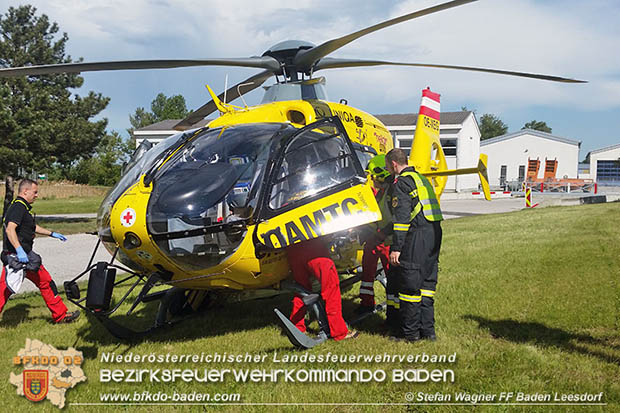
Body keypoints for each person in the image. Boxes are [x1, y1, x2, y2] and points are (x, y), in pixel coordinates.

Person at [0, 179, 80, 323]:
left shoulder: (22, 207)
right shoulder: (18, 207)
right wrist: (19, 250)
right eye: (35, 192)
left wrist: (52, 233)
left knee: (46, 282)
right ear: (25, 191)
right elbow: (10, 229)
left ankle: (60, 315)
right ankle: (60, 315)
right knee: (4, 290)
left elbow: (32, 227)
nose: (36, 195)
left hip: (27, 258)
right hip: (17, 258)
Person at [385, 149, 442, 342]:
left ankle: (410, 335)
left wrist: (396, 247)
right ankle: (428, 332)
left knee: (410, 286)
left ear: (393, 164)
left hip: (416, 235)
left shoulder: (401, 183)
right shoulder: (421, 179)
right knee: (427, 285)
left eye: (387, 166)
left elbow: (401, 219)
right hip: (434, 233)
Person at [287, 237, 358, 341]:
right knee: (331, 289)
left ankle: (296, 327)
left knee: (301, 290)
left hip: (293, 251)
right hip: (315, 249)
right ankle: (339, 332)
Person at [357, 155, 392, 315]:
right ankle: (366, 303)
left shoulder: (391, 192)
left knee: (392, 275)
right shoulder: (379, 192)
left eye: (372, 176)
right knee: (367, 274)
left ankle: (394, 308)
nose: (371, 180)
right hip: (373, 239)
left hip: (386, 240)